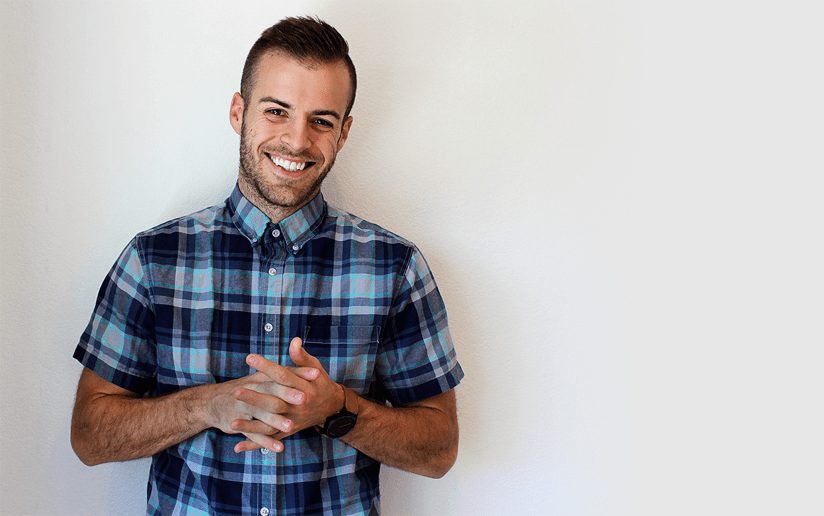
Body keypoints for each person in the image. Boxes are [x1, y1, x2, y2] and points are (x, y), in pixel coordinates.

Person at [70, 16, 463, 515]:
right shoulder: (153, 259)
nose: (296, 141)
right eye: (277, 111)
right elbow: (89, 437)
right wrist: (205, 406)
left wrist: (338, 411)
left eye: (321, 121)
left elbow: (439, 450)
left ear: (343, 133)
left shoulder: (394, 267)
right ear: (239, 112)